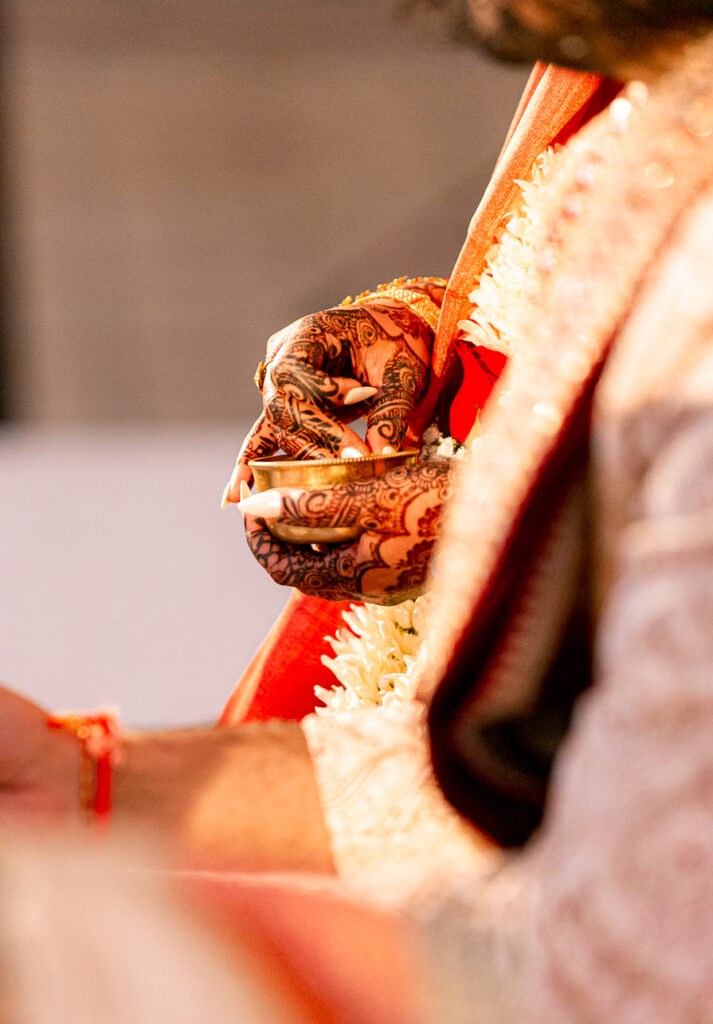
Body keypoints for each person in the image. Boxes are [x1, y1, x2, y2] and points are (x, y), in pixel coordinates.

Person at [3, 0, 713, 1018]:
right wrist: (444, 349)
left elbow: (622, 955)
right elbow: (567, 792)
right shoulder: (644, 61)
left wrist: (513, 522)